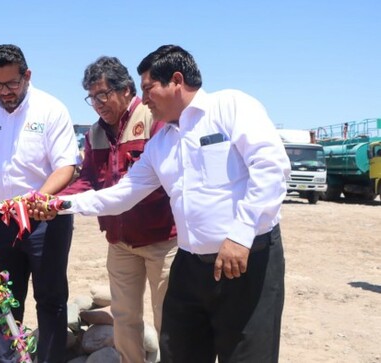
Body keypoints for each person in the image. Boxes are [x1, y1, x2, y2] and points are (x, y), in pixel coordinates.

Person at [53, 45, 290, 363]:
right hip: (190, 266)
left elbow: (272, 169)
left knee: (247, 353)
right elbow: (123, 194)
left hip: (246, 258)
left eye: (149, 88)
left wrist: (241, 234)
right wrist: (60, 205)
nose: (145, 98)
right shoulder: (162, 143)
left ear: (176, 80)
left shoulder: (231, 107)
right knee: (181, 351)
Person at [0, 44, 81, 363]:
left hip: (46, 221)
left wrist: (38, 198)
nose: (5, 92)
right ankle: (3, 358)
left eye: (12, 83)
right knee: (5, 296)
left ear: (27, 76)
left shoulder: (51, 109)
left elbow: (66, 165)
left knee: (51, 297)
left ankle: (50, 358)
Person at [59, 56, 177, 362]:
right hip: (120, 242)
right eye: (91, 97)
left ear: (126, 89)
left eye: (103, 94)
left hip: (162, 240)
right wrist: (56, 202)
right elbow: (87, 181)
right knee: (124, 318)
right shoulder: (94, 134)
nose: (97, 104)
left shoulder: (154, 121)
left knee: (170, 317)